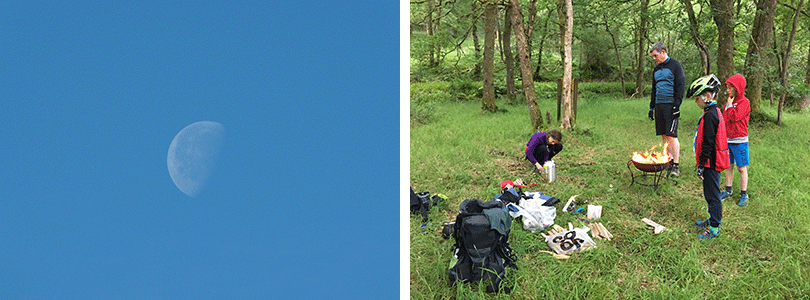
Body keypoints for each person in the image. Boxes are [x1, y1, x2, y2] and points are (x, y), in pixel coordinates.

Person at [686, 74, 730, 240]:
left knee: (712, 195)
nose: (696, 102)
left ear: (708, 96)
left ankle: (714, 228)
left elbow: (708, 143)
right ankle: (712, 219)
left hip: (711, 162)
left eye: (697, 98)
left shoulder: (711, 115)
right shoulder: (711, 111)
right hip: (710, 161)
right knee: (710, 193)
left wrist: (702, 165)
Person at [649, 42, 685, 177]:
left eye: (655, 55)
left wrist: (677, 106)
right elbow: (654, 89)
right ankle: (668, 161)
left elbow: (680, 86)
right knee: (664, 135)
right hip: (659, 105)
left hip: (671, 105)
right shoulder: (656, 69)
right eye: (653, 56)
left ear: (663, 52)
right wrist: (651, 107)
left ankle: (676, 165)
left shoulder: (675, 65)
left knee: (671, 135)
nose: (654, 58)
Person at [720, 74, 751, 207]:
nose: (728, 91)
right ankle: (728, 190)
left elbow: (735, 117)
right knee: (728, 165)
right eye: (727, 88)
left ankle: (744, 194)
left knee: (741, 168)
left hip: (740, 140)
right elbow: (725, 119)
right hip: (728, 140)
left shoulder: (745, 102)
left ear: (738, 88)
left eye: (730, 88)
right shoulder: (727, 104)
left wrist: (730, 105)